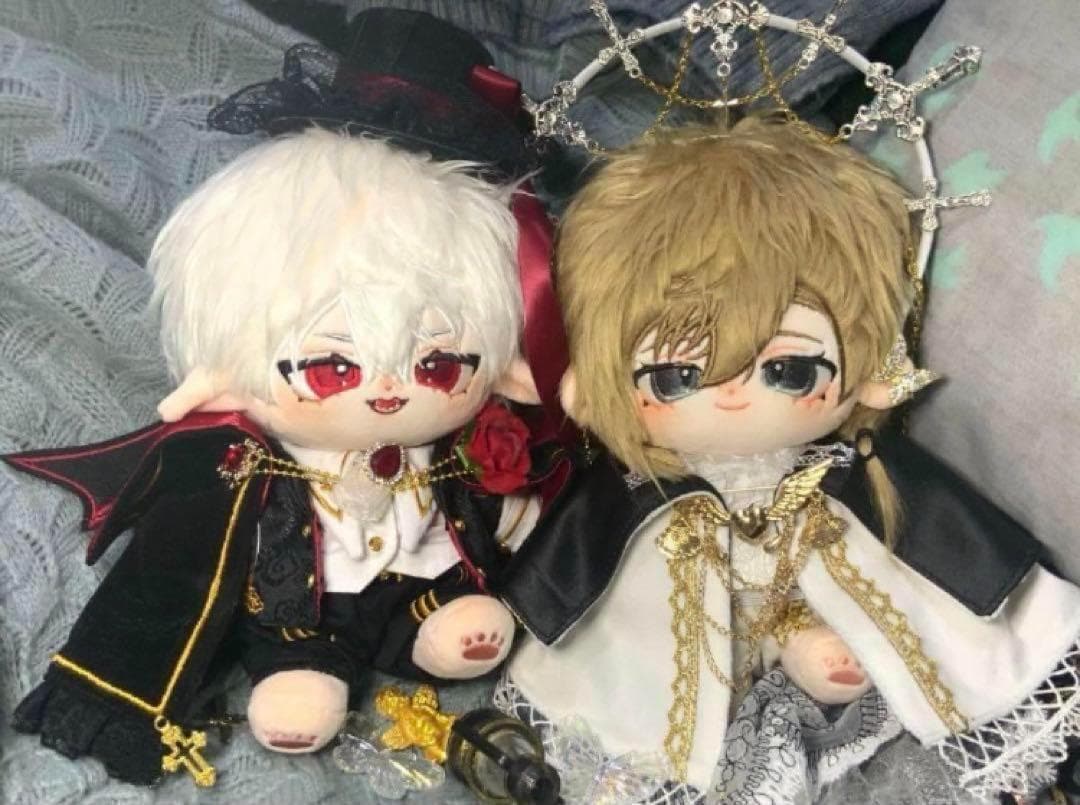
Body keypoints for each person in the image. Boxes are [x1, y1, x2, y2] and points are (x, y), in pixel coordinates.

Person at [8, 9, 564, 787]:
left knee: (461, 609)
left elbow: (505, 510)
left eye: (438, 367)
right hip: (303, 610)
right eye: (333, 371)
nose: (387, 392)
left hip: (420, 586)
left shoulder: (450, 451)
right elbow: (186, 567)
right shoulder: (252, 460)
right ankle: (307, 670)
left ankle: (434, 631)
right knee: (296, 649)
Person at [495, 116, 1080, 803]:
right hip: (672, 641)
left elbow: (943, 541)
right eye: (676, 378)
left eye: (790, 370)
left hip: (809, 619)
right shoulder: (635, 486)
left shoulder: (848, 470)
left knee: (864, 640)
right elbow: (572, 559)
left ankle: (806, 649)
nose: (734, 398)